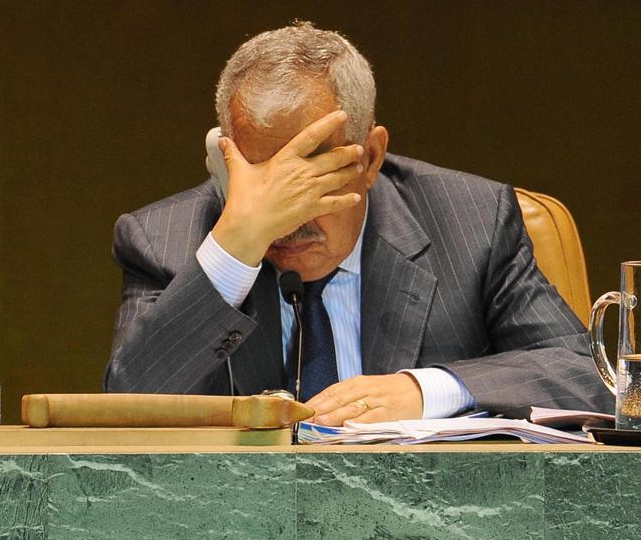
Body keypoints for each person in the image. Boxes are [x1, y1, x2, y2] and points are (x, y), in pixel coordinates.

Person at [103, 22, 612, 422]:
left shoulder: (472, 223)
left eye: (312, 176)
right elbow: (127, 407)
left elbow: (589, 377)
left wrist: (424, 389)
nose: (287, 216)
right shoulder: (165, 240)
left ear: (370, 158)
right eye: (262, 179)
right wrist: (236, 243)